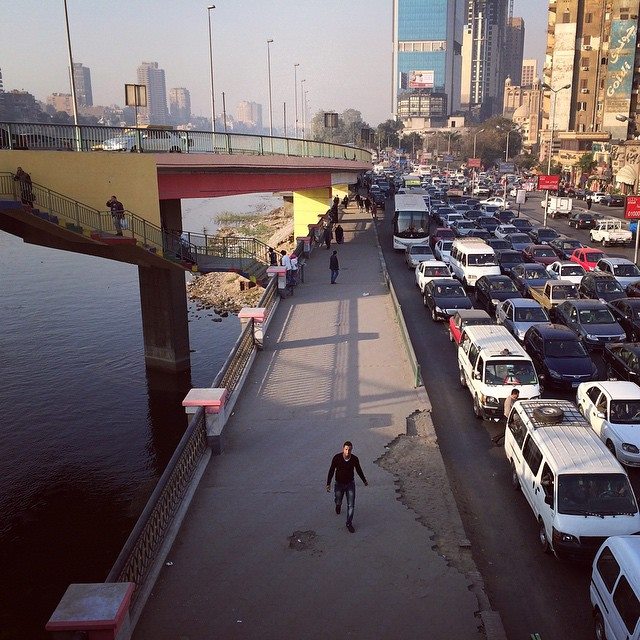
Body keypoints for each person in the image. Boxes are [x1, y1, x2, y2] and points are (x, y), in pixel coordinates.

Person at [326, 441, 368, 533]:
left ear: (351, 450)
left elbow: (359, 470)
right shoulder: (337, 458)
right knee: (338, 499)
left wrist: (364, 480)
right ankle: (338, 505)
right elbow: (331, 470)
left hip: (350, 484)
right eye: (346, 449)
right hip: (339, 484)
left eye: (349, 450)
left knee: (351, 505)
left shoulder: (354, 459)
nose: (347, 452)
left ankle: (349, 523)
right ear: (343, 449)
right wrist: (328, 483)